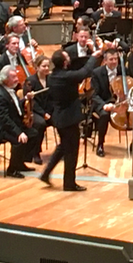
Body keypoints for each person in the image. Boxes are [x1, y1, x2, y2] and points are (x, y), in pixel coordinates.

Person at [39, 46, 101, 191]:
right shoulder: (65, 77)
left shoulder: (54, 76)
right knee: (72, 150)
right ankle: (69, 183)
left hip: (60, 117)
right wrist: (94, 56)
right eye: (68, 58)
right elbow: (84, 72)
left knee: (63, 146)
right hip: (68, 119)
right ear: (65, 63)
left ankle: (46, 173)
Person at [0, 64, 35, 177]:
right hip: (1, 128)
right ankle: (12, 169)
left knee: (34, 133)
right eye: (13, 77)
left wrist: (25, 99)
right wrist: (19, 132)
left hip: (12, 123)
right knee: (19, 140)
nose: (17, 79)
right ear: (5, 80)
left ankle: (19, 163)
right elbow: (4, 119)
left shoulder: (10, 90)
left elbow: (14, 107)